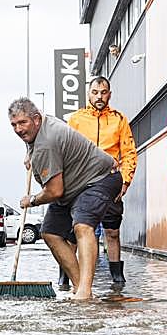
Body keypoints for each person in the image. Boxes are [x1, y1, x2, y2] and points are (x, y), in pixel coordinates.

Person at [10, 97, 120, 301]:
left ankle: (84, 292)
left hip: (99, 178)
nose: (18, 129)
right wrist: (29, 153)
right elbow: (33, 140)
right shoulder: (39, 128)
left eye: (22, 122)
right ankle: (80, 287)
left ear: (36, 119)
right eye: (14, 125)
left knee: (83, 226)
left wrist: (31, 200)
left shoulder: (46, 143)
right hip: (73, 185)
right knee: (50, 232)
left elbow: (54, 192)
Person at [67, 76, 137, 289]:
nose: (99, 96)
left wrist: (125, 181)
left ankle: (117, 276)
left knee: (112, 231)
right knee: (75, 231)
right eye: (95, 92)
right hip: (81, 181)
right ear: (88, 94)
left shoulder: (119, 119)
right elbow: (64, 148)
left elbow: (129, 152)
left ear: (109, 94)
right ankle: (66, 275)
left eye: (103, 92)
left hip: (110, 181)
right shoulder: (76, 119)